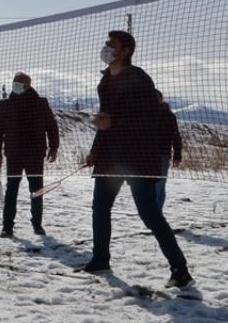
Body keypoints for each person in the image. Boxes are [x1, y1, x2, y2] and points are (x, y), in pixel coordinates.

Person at [75, 30, 193, 288]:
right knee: (99, 209)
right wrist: (96, 150)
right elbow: (105, 122)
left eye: (112, 44)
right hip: (110, 158)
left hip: (138, 157)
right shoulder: (104, 81)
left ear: (126, 50)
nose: (106, 48)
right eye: (106, 43)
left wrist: (113, 122)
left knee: (149, 214)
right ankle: (100, 259)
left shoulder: (139, 79)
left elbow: (151, 121)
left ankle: (180, 270)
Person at [0, 72, 60, 237]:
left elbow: (52, 127)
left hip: (35, 153)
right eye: (14, 81)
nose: (15, 84)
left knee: (37, 190)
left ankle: (37, 224)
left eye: (19, 82)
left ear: (28, 85)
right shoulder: (5, 104)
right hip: (14, 153)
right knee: (12, 190)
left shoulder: (40, 103)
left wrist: (54, 148)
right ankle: (7, 226)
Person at [155, 90, 183, 211]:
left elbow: (176, 137)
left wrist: (177, 156)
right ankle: (150, 214)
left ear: (161, 99)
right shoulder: (143, 114)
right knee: (146, 186)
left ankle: (157, 216)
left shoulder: (169, 116)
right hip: (144, 156)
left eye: (156, 97)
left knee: (159, 185)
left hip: (162, 155)